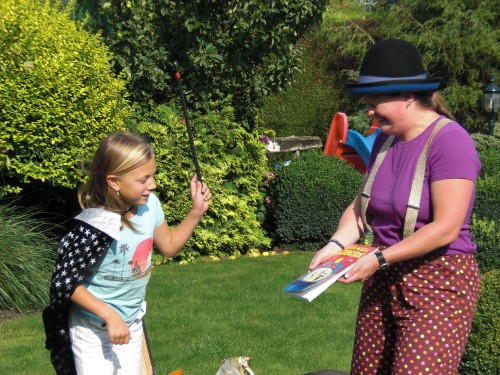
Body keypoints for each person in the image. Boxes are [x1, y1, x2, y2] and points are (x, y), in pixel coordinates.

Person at [309, 39, 480, 375]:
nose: (369, 110)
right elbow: (360, 210)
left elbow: (446, 226)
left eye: (375, 101)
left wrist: (379, 257)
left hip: (439, 284)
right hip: (384, 278)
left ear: (407, 96)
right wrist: (335, 245)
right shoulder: (385, 142)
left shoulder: (450, 141)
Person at [43, 131, 212, 375]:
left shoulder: (150, 205)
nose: (152, 185)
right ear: (114, 182)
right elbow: (65, 283)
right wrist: (109, 315)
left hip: (130, 323)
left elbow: (169, 246)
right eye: (143, 180)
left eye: (152, 176)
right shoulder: (95, 225)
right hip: (92, 328)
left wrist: (196, 212)